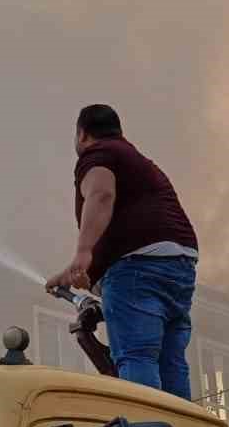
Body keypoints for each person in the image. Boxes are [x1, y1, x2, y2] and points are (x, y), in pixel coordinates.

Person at [45, 104, 198, 397]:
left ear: (82, 134)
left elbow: (101, 194)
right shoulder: (137, 160)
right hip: (180, 265)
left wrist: (83, 252)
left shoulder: (99, 154)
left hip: (138, 266)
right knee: (170, 363)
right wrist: (82, 272)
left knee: (136, 355)